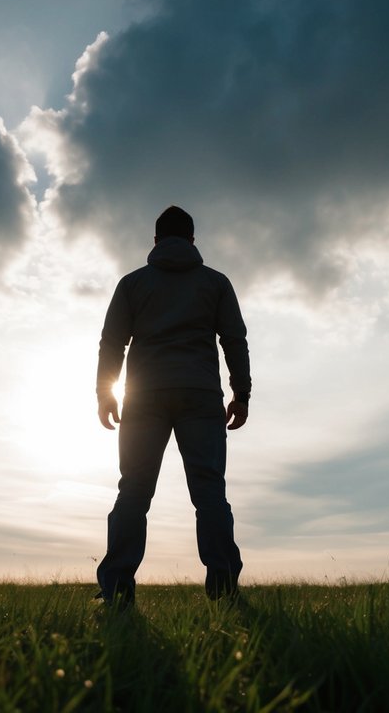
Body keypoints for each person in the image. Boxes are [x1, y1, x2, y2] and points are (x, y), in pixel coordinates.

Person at [95, 205, 251, 608]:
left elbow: (112, 342)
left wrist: (104, 393)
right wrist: (242, 393)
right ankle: (224, 591)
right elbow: (234, 340)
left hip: (144, 396)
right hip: (200, 396)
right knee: (210, 493)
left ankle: (116, 593)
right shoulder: (215, 283)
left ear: (155, 241)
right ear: (193, 241)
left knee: (133, 492)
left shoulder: (133, 284)